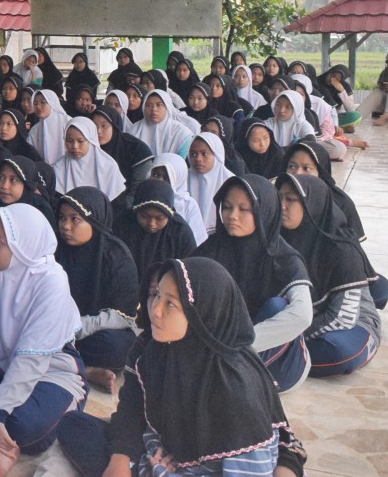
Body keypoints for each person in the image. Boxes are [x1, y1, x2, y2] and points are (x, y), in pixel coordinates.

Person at [56, 257, 307, 477]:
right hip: (156, 456)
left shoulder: (235, 385)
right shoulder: (151, 351)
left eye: (171, 304)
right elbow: (131, 410)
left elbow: (260, 463)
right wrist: (122, 459)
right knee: (75, 425)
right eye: (155, 296)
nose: (155, 310)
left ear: (201, 313)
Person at [0, 204, 86, 474]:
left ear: (22, 246)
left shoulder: (50, 281)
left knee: (24, 427)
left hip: (50, 370)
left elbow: (31, 359)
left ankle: (3, 442)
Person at [193, 176, 312, 392]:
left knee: (278, 306)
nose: (232, 216)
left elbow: (302, 315)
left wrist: (238, 347)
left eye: (244, 209)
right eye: (227, 207)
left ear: (264, 210)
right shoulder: (213, 248)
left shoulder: (284, 258)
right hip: (222, 348)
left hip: (278, 360)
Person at [276, 173, 381, 378]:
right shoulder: (276, 239)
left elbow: (342, 317)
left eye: (291, 199)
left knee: (339, 351)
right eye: (280, 197)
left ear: (312, 204)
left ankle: (280, 356)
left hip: (347, 323)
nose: (282, 205)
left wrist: (289, 335)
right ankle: (283, 356)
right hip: (296, 321)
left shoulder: (342, 249)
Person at [55, 188, 139, 393]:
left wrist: (79, 326)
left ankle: (66, 363)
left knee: (118, 348)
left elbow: (123, 316)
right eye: (62, 218)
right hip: (54, 324)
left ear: (95, 221)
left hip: (89, 332)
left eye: (75, 219)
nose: (66, 226)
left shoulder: (117, 258)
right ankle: (87, 370)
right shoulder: (53, 247)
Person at [112, 178, 197, 289]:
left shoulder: (180, 232)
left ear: (169, 215)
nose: (151, 223)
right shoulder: (122, 224)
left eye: (159, 218)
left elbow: (189, 272)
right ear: (136, 211)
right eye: (144, 216)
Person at [53, 117, 126, 201]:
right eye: (69, 141)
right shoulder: (59, 167)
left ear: (91, 141)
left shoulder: (108, 166)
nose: (75, 146)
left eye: (80, 141)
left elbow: (118, 205)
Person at [360, 50, 388, 125]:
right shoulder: (386, 72)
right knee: (378, 92)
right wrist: (384, 86)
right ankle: (357, 116)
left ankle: (385, 117)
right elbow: (379, 84)